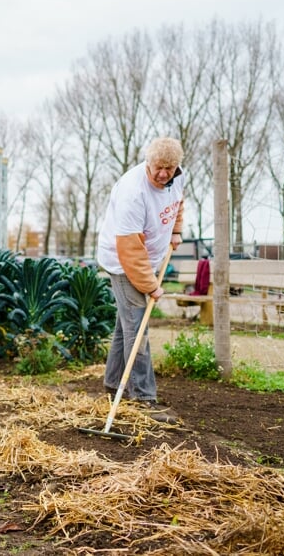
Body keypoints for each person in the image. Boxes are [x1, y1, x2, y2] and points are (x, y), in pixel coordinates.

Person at [96, 137, 185, 424]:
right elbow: (130, 251)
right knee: (138, 326)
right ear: (148, 162)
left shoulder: (178, 177)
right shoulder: (133, 193)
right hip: (122, 262)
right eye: (159, 167)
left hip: (146, 259)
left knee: (127, 325)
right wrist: (151, 286)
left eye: (169, 168)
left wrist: (176, 231)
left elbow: (177, 204)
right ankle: (144, 398)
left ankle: (112, 383)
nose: (163, 174)